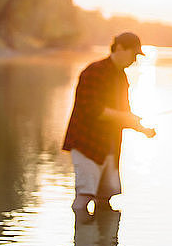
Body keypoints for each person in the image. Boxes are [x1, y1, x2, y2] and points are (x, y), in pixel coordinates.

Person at [63, 32, 156, 216]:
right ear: (120, 48)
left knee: (106, 198)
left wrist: (142, 129)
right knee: (84, 197)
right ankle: (82, 238)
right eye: (134, 54)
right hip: (86, 145)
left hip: (109, 147)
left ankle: (105, 244)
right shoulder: (93, 72)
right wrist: (126, 117)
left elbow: (124, 113)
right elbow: (94, 111)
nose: (135, 60)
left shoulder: (121, 77)